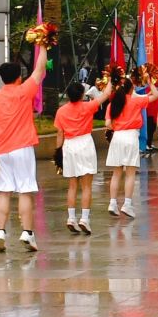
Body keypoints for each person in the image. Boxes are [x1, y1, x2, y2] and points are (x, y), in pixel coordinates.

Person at [0, 48, 50, 252]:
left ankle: (0, 231)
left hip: (1, 150)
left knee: (4, 191)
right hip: (22, 147)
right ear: (19, 77)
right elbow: (39, 69)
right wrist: (44, 45)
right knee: (25, 190)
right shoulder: (24, 91)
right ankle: (27, 233)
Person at [102, 71, 158, 218]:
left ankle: (112, 203)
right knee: (130, 173)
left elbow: (108, 124)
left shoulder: (112, 105)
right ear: (131, 89)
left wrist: (118, 126)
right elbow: (156, 96)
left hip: (117, 137)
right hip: (131, 137)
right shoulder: (135, 101)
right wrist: (150, 82)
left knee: (116, 173)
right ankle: (127, 204)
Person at [53, 78, 106, 233]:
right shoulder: (88, 106)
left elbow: (59, 133)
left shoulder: (61, 111)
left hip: (69, 145)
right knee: (87, 185)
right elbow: (106, 95)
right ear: (82, 94)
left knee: (72, 185)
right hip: (85, 143)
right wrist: (111, 79)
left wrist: (58, 152)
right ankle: (84, 219)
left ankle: (71, 218)